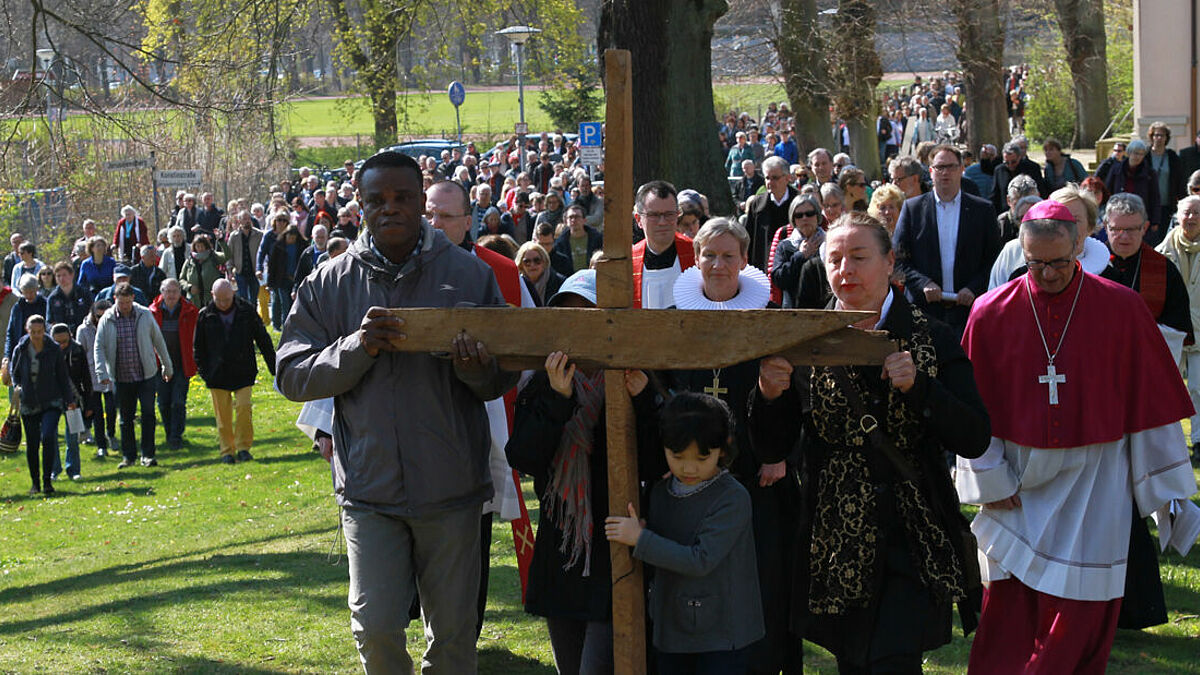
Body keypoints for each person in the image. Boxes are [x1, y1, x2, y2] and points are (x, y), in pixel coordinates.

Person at [276, 151, 517, 672]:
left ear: (419, 204)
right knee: (377, 629)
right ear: (359, 207)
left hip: (450, 487)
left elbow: (502, 375)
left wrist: (476, 367)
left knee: (453, 641)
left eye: (402, 198)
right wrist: (357, 348)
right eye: (376, 200)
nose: (390, 209)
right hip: (370, 490)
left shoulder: (467, 275)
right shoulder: (330, 281)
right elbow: (292, 373)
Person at [956, 199, 1198, 673]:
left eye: (1058, 263)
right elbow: (970, 408)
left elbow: (1150, 402)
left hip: (1096, 476)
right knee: (1012, 602)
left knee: (1082, 609)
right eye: (1035, 264)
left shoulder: (1121, 308)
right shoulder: (990, 313)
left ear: (1082, 248)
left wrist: (1167, 494)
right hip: (1018, 479)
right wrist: (987, 478)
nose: (1046, 275)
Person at [750, 212, 990, 672]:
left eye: (859, 258)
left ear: (890, 262)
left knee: (892, 663)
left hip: (911, 533)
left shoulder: (932, 337)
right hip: (834, 535)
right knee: (855, 663)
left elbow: (975, 436)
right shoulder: (805, 340)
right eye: (835, 260)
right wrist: (769, 395)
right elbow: (772, 447)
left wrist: (921, 387)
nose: (846, 271)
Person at [506, 269, 660, 675]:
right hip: (564, 551)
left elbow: (658, 459)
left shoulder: (633, 375)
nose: (578, 326)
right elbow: (524, 456)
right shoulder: (544, 383)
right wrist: (558, 399)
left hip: (615, 546)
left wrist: (643, 399)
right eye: (568, 316)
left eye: (587, 314)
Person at [604, 392, 764, 673]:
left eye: (702, 458)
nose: (688, 468)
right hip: (671, 633)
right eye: (677, 456)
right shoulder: (659, 492)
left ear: (723, 449)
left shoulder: (732, 498)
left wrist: (640, 539)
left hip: (724, 640)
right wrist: (642, 534)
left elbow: (700, 559)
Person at [893, 144, 1000, 333]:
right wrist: (923, 283)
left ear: (961, 169)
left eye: (951, 167)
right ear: (931, 171)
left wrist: (974, 288)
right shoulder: (912, 209)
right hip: (924, 310)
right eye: (939, 168)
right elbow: (899, 259)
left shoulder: (983, 210)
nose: (945, 173)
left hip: (969, 310)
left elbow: (993, 259)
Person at [1100, 192, 1193, 360]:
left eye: (1132, 229)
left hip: (1145, 361)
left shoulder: (1163, 269)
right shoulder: (1092, 266)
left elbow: (1176, 328)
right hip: (1099, 357)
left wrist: (1131, 337)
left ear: (1145, 227)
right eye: (1117, 229)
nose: (1124, 236)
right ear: (1106, 226)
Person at [93, 282, 174, 469]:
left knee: (148, 414)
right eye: (122, 303)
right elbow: (99, 346)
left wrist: (167, 367)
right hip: (121, 378)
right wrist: (101, 372)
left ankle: (148, 454)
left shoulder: (145, 314)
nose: (125, 306)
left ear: (133, 299)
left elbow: (158, 340)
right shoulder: (107, 318)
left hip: (145, 375)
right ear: (115, 300)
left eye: (128, 302)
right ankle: (129, 456)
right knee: (125, 418)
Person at [194, 279, 275, 464]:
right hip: (217, 373)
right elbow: (198, 347)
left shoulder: (246, 311)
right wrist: (204, 373)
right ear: (213, 296)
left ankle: (243, 447)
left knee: (244, 408)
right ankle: (227, 451)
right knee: (222, 416)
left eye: (227, 299)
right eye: (219, 300)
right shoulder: (205, 316)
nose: (223, 303)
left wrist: (274, 365)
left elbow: (262, 338)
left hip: (243, 370)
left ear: (233, 294)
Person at [10, 315, 76, 495]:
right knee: (32, 444)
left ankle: (48, 481)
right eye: (33, 332)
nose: (37, 335)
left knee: (48, 436)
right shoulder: (21, 348)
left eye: (40, 332)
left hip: (51, 400)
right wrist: (17, 386)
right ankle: (35, 483)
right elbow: (14, 372)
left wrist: (69, 400)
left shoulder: (53, 349)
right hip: (29, 401)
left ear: (44, 331)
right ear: (27, 330)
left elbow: (63, 375)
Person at [1158, 194, 1200, 464]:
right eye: (1186, 212)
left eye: (1197, 213)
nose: (1191, 218)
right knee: (1166, 389)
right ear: (1177, 215)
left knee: (1198, 388)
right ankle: (1166, 447)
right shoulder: (1162, 251)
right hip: (1172, 330)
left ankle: (1198, 441)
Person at [632, 180, 696, 308]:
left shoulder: (696, 253)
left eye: (669, 214)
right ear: (639, 219)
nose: (662, 222)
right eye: (654, 215)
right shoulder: (628, 261)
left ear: (678, 215)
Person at [150, 278, 197, 451]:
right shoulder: (152, 311)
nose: (171, 295)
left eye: (174, 291)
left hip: (181, 364)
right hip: (159, 365)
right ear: (162, 292)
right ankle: (170, 432)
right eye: (167, 291)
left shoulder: (190, 311)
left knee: (178, 401)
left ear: (180, 293)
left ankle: (176, 436)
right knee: (163, 402)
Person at [745, 157, 800, 273]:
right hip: (762, 266)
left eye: (775, 178)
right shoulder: (757, 204)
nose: (770, 182)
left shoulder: (799, 201)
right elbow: (749, 237)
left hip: (793, 266)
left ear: (787, 178)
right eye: (767, 178)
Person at [1103, 139, 1163, 245]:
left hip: (1140, 214)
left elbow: (1155, 198)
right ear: (1129, 153)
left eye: (1141, 154)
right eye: (1135, 153)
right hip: (1118, 213)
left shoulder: (1149, 173)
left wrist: (1155, 221)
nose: (1138, 157)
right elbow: (1107, 191)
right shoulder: (1117, 170)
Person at [51, 323, 90, 481]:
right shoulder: (46, 352)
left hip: (73, 399)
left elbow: (86, 377)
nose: (61, 346)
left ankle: (73, 469)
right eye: (57, 342)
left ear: (70, 337)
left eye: (64, 342)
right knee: (51, 436)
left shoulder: (78, 350)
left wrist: (88, 401)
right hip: (51, 399)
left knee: (72, 437)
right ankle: (54, 469)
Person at [771, 194, 825, 309]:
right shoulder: (785, 246)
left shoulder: (829, 243)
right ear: (794, 220)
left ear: (817, 216)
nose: (805, 218)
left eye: (809, 214)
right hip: (793, 310)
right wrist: (800, 256)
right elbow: (778, 279)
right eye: (799, 215)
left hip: (824, 309)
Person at [77, 300, 115, 458]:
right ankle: (101, 444)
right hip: (92, 376)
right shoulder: (83, 329)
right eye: (97, 316)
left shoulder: (114, 324)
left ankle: (111, 434)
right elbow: (80, 353)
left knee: (112, 409)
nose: (100, 320)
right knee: (97, 412)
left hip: (111, 373)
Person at [990, 141, 1049, 215]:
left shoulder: (1032, 168)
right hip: (1006, 213)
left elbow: (1041, 191)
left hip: (1030, 212)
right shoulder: (999, 170)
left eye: (1013, 162)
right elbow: (995, 195)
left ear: (1019, 157)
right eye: (1006, 162)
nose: (1010, 165)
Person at [550, 204, 603, 278]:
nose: (573, 220)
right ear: (566, 221)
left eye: (577, 217)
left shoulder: (597, 239)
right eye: (570, 217)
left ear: (584, 220)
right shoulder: (560, 243)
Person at [5, 274, 48, 363]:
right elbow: (11, 333)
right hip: (22, 351)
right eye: (25, 292)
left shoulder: (45, 304)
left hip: (43, 350)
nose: (29, 295)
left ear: (37, 289)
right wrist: (7, 356)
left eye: (31, 292)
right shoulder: (18, 308)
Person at [179, 234, 227, 310]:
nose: (200, 248)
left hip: (211, 299)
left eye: (202, 246)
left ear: (206, 246)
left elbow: (227, 256)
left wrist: (221, 241)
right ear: (194, 247)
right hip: (194, 300)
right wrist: (189, 287)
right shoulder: (189, 261)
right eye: (198, 246)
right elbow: (181, 280)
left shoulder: (213, 256)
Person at [46, 261, 92, 338]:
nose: (61, 278)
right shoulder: (53, 298)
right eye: (58, 276)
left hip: (83, 333)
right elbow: (50, 321)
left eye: (64, 275)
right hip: (61, 336)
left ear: (72, 275)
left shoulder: (84, 293)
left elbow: (91, 314)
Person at [515, 241, 564, 306]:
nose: (532, 265)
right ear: (521, 265)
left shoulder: (560, 283)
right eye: (527, 262)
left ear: (544, 262)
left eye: (537, 260)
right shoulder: (516, 284)